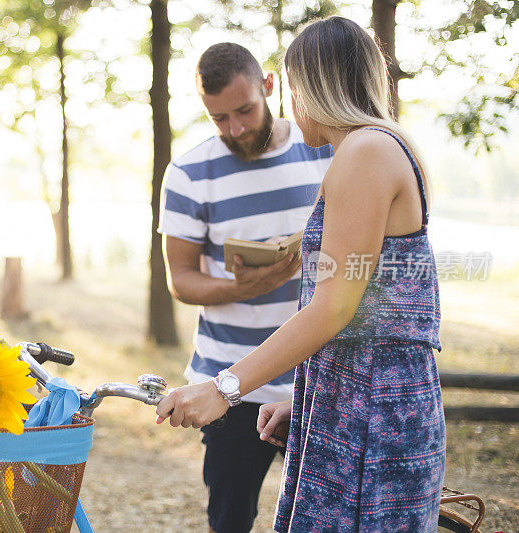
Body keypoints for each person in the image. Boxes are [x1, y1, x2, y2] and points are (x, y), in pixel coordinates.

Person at [156, 16, 446, 533]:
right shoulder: (379, 145)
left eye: (291, 89)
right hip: (363, 397)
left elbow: (333, 307)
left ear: (309, 86)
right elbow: (377, 305)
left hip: (373, 414)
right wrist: (311, 393)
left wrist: (224, 388)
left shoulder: (363, 153)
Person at [158, 43, 333, 533]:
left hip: (315, 377)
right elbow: (182, 280)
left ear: (269, 87)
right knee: (230, 520)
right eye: (219, 118)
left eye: (244, 110)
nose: (235, 128)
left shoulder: (324, 146)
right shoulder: (189, 173)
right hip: (227, 382)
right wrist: (244, 286)